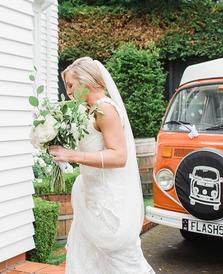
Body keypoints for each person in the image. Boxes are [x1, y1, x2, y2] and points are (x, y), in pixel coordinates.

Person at [49, 57, 155, 274]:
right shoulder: (87, 111)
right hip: (90, 197)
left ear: (86, 80)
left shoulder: (105, 110)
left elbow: (119, 156)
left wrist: (73, 155)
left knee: (124, 263)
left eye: (70, 85)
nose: (68, 92)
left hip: (109, 201)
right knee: (90, 259)